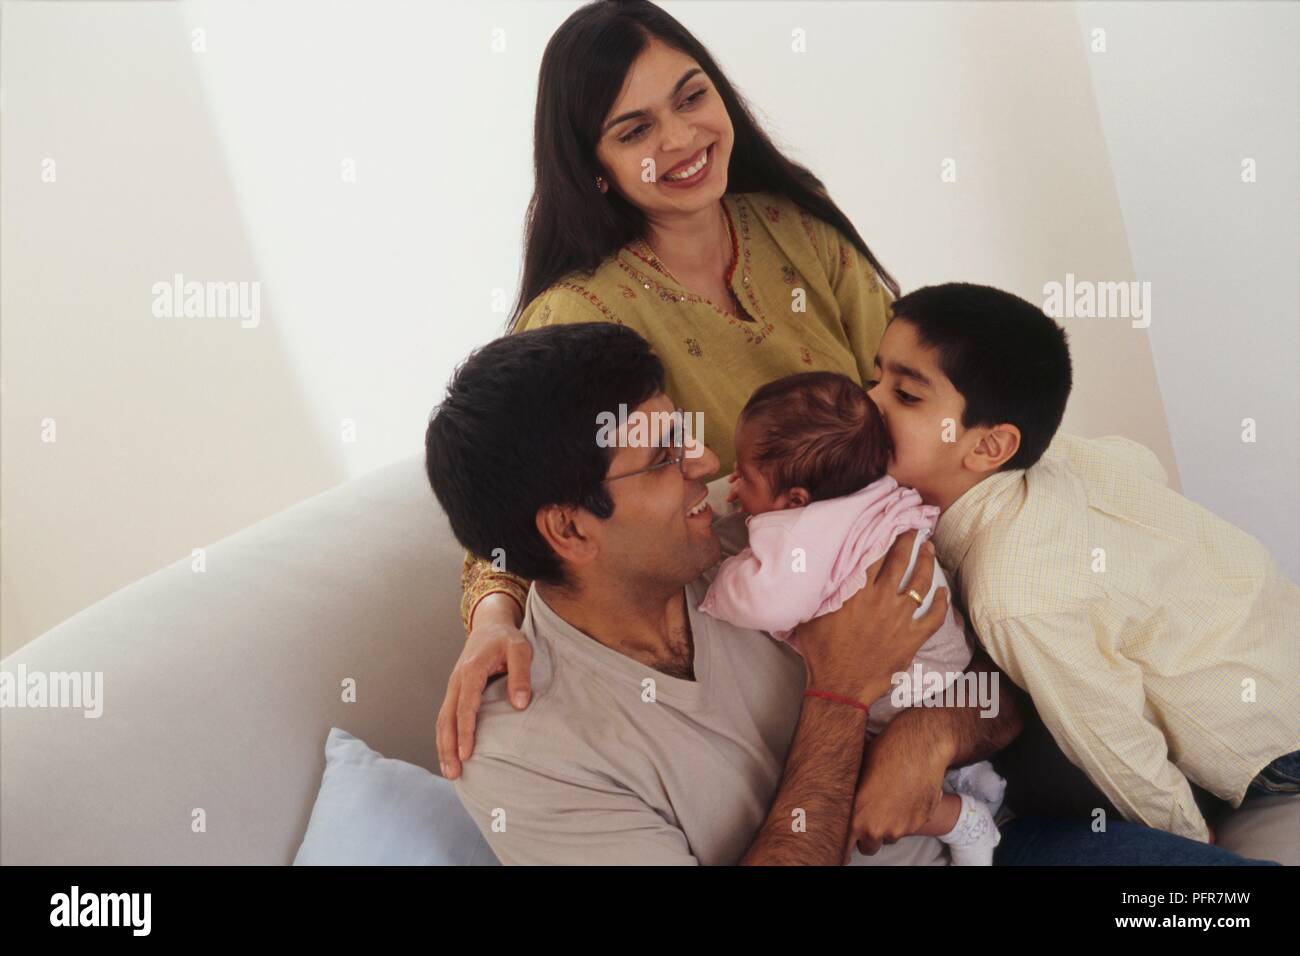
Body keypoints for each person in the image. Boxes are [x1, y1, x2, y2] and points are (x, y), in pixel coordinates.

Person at [424, 320, 1020, 864]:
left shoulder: (760, 533)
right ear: (570, 528)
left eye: (685, 433)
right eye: (663, 458)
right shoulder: (526, 756)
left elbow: (1010, 692)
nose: (708, 463)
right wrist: (840, 694)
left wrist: (927, 734)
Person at [865, 281, 1300, 855]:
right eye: (875, 376)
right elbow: (1139, 462)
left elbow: (1110, 738)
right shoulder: (1063, 454)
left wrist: (1192, 842)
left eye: (906, 395)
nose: (869, 401)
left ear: (991, 447)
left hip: (1270, 740)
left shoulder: (1012, 591)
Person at [696, 370, 1005, 863]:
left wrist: (722, 582)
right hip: (944, 649)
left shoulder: (793, 533)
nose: (730, 480)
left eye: (745, 475)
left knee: (846, 775)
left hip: (908, 668)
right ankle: (968, 775)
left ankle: (960, 817)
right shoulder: (869, 487)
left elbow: (770, 600)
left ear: (795, 499)